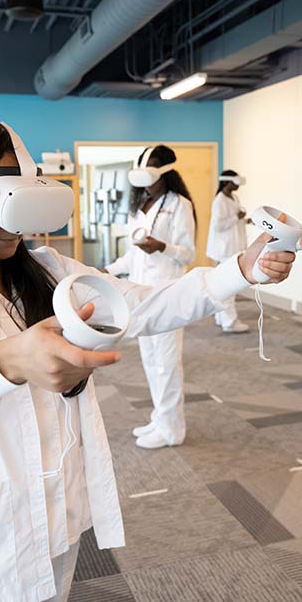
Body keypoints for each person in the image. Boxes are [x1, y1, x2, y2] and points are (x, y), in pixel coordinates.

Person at [0, 114, 302, 602]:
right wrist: (8, 361)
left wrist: (241, 269)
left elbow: (147, 304)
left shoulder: (50, 271)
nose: (16, 225)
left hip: (56, 508)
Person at [105, 145, 197, 450]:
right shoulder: (140, 204)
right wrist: (107, 270)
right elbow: (133, 256)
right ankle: (160, 418)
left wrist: (162, 247)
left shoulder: (179, 204)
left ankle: (173, 429)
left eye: (151, 166)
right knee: (150, 359)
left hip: (167, 293)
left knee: (167, 363)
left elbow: (188, 254)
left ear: (166, 170)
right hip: (140, 294)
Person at [207, 169, 252, 333]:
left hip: (233, 247)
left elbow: (232, 222)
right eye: (235, 182)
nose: (237, 186)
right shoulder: (219, 201)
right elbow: (219, 226)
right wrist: (237, 217)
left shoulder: (233, 198)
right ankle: (229, 321)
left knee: (224, 284)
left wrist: (245, 220)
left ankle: (221, 317)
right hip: (225, 249)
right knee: (229, 285)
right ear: (226, 182)